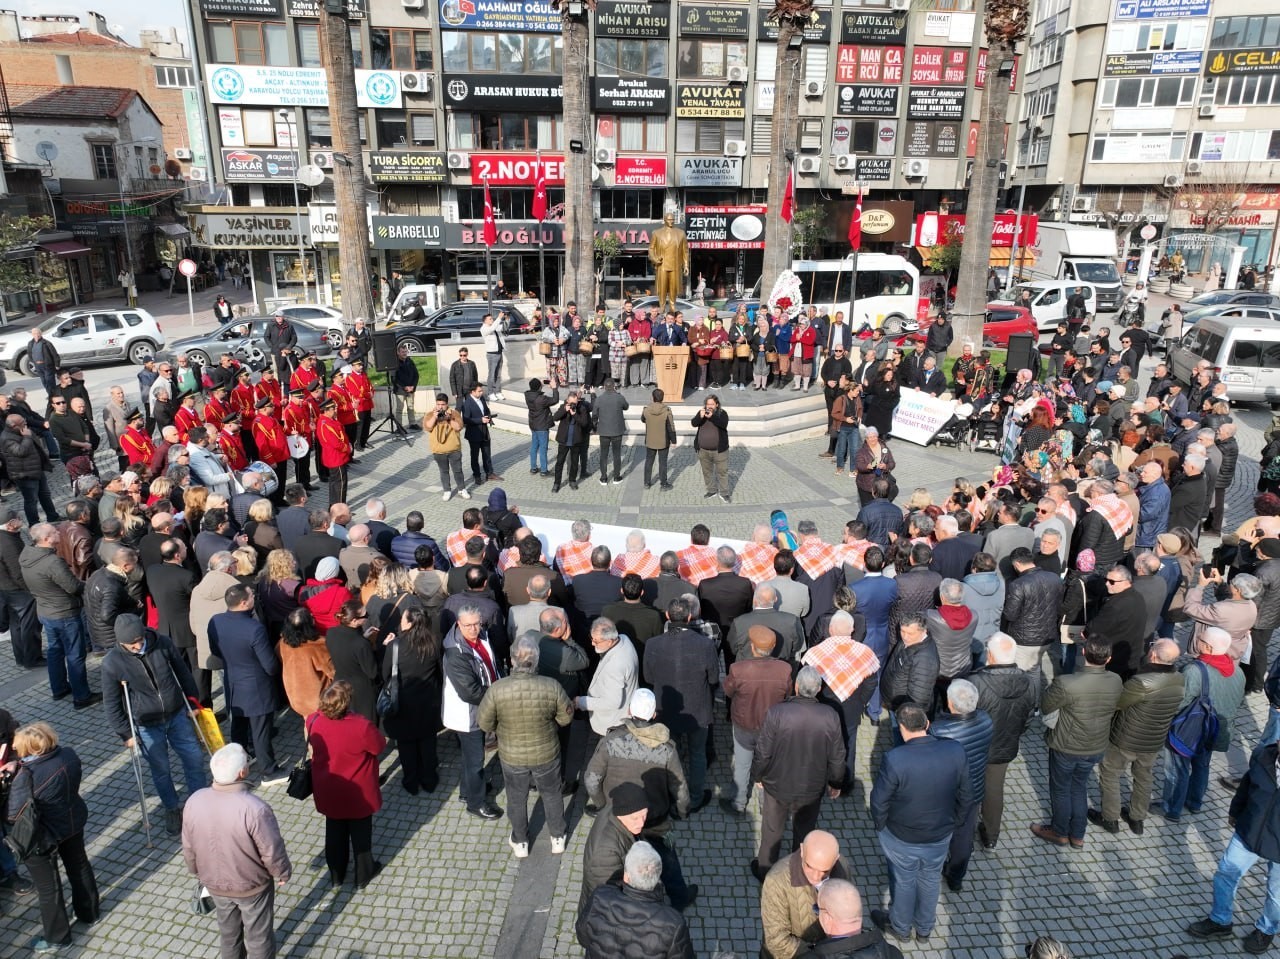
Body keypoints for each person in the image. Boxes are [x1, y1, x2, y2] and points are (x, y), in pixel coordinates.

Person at [869, 703, 970, 946]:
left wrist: (881, 825)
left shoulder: (895, 759)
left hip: (902, 836)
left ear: (902, 729)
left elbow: (879, 800)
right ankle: (924, 929)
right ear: (927, 724)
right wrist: (955, 822)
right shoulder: (955, 750)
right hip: (939, 835)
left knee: (904, 881)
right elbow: (967, 795)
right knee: (930, 879)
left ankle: (901, 928)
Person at [182, 743, 292, 959]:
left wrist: (196, 870)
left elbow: (188, 845)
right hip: (252, 887)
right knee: (259, 938)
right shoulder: (254, 808)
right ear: (242, 773)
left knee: (229, 935)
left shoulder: (194, 801)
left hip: (214, 884)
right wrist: (282, 872)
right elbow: (271, 849)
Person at [101, 613, 207, 835]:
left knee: (194, 758)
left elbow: (182, 672)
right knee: (161, 769)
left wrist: (192, 701)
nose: (137, 646)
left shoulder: (162, 643)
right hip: (146, 724)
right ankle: (171, 808)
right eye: (131, 644)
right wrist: (125, 733)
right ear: (121, 642)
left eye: (139, 640)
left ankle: (199, 802)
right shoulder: (112, 662)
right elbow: (111, 703)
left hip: (176, 714)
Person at [4, 722, 99, 953]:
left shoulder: (26, 776)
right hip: (71, 821)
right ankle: (89, 912)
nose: (14, 749)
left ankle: (58, 938)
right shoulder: (68, 755)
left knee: (48, 888)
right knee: (79, 866)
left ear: (30, 749)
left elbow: (13, 815)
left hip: (41, 836)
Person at [477, 635, 573, 858]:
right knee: (552, 794)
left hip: (512, 756)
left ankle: (520, 841)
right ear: (536, 660)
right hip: (547, 753)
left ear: (512, 660)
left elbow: (484, 722)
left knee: (516, 798)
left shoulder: (497, 689)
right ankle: (557, 837)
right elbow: (566, 718)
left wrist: (502, 730)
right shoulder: (552, 686)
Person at [750, 666, 846, 880]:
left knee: (772, 831)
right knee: (804, 833)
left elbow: (763, 752)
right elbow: (838, 756)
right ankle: (799, 873)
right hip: (811, 788)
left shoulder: (777, 712)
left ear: (795, 686)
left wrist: (758, 775)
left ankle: (765, 871)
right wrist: (836, 783)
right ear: (819, 689)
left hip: (777, 786)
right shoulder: (830, 715)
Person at [1188, 736, 1280, 953]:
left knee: (1276, 895)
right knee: (1225, 874)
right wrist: (1235, 811)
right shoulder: (1262, 755)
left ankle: (1266, 929)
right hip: (1249, 830)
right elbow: (1246, 786)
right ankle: (1220, 920)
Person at [1031, 638, 1123, 847]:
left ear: (1083, 652)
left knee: (1061, 789)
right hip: (1096, 745)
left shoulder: (1067, 682)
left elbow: (1046, 706)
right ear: (1108, 658)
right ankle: (1078, 835)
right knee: (1079, 787)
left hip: (1067, 745)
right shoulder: (1116, 680)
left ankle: (1059, 831)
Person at [1091, 639, 1184, 837]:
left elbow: (1118, 703)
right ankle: (1137, 818)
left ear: (1153, 655)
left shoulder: (1141, 682)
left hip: (1126, 738)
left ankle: (1110, 817)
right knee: (1144, 777)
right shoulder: (1179, 678)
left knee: (1110, 774)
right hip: (1154, 740)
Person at [1162, 626, 1246, 822]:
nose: (1196, 640)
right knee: (1202, 765)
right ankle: (1194, 802)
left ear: (1208, 647)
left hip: (1189, 731)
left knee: (1178, 769)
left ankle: (1172, 808)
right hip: (1216, 731)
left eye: (1200, 639)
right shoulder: (1238, 672)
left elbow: (1180, 702)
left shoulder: (1194, 670)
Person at [644, 597, 720, 813]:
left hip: (666, 709)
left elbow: (648, 677)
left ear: (668, 616)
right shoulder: (705, 644)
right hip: (698, 709)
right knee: (698, 754)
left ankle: (674, 796)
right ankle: (695, 798)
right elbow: (714, 679)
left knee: (671, 754)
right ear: (689, 617)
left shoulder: (653, 644)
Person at [308, 681, 385, 890]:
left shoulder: (313, 720)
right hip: (358, 791)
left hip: (328, 787)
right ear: (346, 703)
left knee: (334, 830)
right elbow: (379, 747)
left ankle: (336, 874)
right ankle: (363, 874)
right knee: (361, 834)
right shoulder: (361, 725)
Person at [209, 584, 286, 783]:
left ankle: (239, 764)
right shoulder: (254, 628)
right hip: (257, 688)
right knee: (260, 732)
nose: (254, 597)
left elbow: (216, 651)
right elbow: (270, 665)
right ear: (244, 603)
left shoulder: (215, 621)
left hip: (233, 683)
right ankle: (269, 771)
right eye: (252, 596)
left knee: (239, 727)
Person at [968, 633, 1037, 848]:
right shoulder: (1029, 682)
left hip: (976, 747)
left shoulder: (976, 681)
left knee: (969, 789)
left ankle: (965, 836)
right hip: (1005, 746)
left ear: (990, 655)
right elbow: (1028, 718)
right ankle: (991, 836)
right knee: (994, 789)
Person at [21, 523, 97, 708]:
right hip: (64, 613)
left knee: (55, 650)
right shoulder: (52, 562)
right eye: (54, 532)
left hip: (45, 611)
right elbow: (73, 587)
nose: (58, 532)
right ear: (46, 539)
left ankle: (59, 688)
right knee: (75, 654)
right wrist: (89, 584)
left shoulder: (27, 554)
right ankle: (81, 696)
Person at [577, 840, 694, 959]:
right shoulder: (674, 924)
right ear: (657, 877)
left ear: (626, 876)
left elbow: (583, 938)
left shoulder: (599, 896)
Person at [929, 679, 993, 892]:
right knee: (964, 836)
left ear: (950, 702)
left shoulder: (940, 730)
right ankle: (956, 877)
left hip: (945, 794)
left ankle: (932, 869)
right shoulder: (986, 720)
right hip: (973, 790)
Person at [442, 604, 504, 819]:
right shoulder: (455, 653)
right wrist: (497, 696)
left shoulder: (481, 636)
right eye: (468, 625)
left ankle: (467, 791)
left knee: (470, 757)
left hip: (478, 708)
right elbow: (471, 692)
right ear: (458, 624)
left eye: (477, 623)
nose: (474, 629)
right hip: (468, 714)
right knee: (476, 760)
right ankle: (476, 804)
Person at [383, 605, 443, 794]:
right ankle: (429, 779)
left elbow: (386, 675)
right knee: (428, 742)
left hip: (403, 704)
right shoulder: (433, 642)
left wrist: (386, 647)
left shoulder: (395, 646)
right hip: (428, 702)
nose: (400, 620)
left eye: (403, 617)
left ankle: (411, 781)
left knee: (406, 744)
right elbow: (440, 672)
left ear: (409, 623)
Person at [2, 414, 60, 526]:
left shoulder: (24, 430)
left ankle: (53, 516)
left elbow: (37, 446)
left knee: (45, 494)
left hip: (37, 469)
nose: (25, 423)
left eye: (24, 420)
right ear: (13, 426)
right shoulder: (6, 438)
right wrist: (27, 437)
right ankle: (34, 524)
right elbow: (20, 452)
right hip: (24, 474)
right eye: (22, 422)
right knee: (31, 500)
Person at [692, 393, 730, 503]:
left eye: (712, 404)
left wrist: (712, 417)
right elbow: (693, 423)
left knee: (722, 472)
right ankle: (711, 490)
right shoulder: (702, 412)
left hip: (719, 451)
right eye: (708, 404)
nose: (709, 406)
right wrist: (700, 417)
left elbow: (723, 424)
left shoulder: (722, 413)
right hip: (703, 450)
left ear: (716, 405)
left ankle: (724, 493)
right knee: (707, 472)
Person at [552, 391, 592, 494]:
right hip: (563, 440)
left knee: (574, 463)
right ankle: (557, 483)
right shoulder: (563, 407)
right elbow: (555, 418)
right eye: (572, 402)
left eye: (576, 402)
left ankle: (572, 480)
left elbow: (584, 423)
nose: (574, 404)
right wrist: (564, 410)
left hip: (576, 440)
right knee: (559, 462)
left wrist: (575, 415)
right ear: (567, 401)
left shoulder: (582, 408)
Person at [462, 382, 500, 487]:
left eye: (482, 390)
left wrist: (489, 417)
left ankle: (489, 473)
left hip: (484, 432)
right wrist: (480, 420)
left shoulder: (481, 399)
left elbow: (486, 410)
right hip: (474, 434)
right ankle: (477, 476)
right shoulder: (467, 403)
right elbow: (465, 419)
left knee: (487, 454)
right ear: (472, 392)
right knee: (475, 456)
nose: (482, 392)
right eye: (479, 391)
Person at [593, 378, 629, 485]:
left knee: (603, 454)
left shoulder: (599, 399)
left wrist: (594, 427)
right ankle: (616, 477)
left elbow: (594, 414)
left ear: (604, 387)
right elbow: (626, 406)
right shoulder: (619, 397)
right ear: (614, 386)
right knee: (616, 454)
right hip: (617, 431)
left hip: (604, 431)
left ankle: (603, 478)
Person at [642, 388, 676, 491]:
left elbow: (643, 419)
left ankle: (647, 483)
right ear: (662, 398)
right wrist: (674, 440)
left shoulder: (646, 410)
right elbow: (671, 427)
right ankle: (663, 484)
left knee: (649, 461)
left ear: (652, 398)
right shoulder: (667, 411)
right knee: (663, 463)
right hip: (663, 441)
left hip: (650, 440)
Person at [27, 327, 60, 397]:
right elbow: (30, 354)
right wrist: (34, 362)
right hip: (38, 366)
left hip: (47, 365)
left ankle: (54, 395)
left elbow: (54, 354)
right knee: (44, 382)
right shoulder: (30, 343)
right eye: (34, 333)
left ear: (41, 334)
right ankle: (50, 394)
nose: (36, 335)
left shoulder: (46, 343)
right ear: (32, 334)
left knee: (50, 381)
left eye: (38, 333)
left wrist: (57, 364)